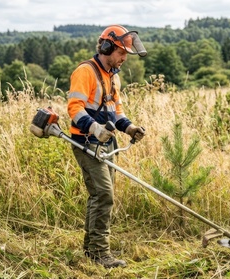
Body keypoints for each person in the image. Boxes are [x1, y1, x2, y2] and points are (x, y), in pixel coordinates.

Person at [67, 24, 147, 268]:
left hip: (107, 143)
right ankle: (101, 253)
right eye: (122, 53)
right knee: (104, 194)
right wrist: (94, 128)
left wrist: (130, 127)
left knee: (99, 195)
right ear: (107, 47)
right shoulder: (85, 72)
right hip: (86, 142)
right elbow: (74, 109)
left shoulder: (114, 76)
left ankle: (91, 250)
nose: (124, 58)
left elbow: (116, 112)